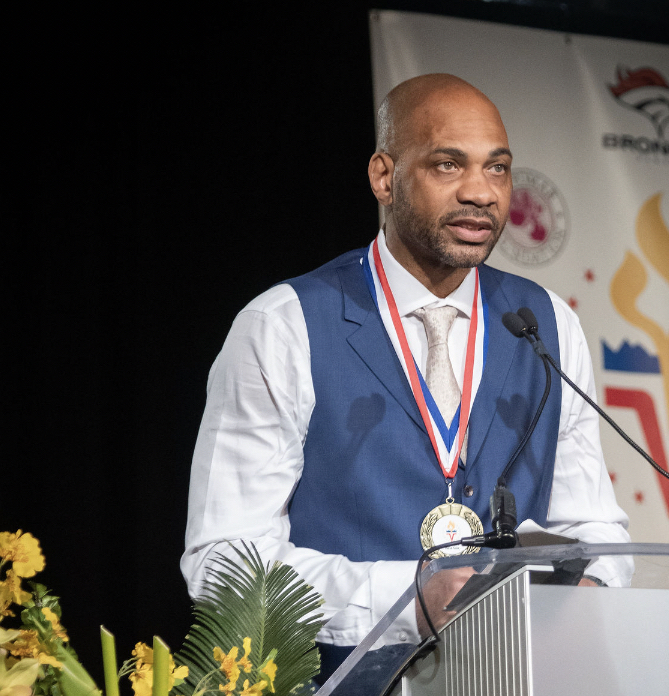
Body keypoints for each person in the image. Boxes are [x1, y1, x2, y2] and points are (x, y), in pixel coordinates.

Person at [181, 73, 631, 693]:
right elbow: (223, 563)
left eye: (497, 169)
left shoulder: (546, 324)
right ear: (384, 177)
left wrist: (588, 589)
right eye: (449, 165)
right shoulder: (284, 325)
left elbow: (595, 529)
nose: (481, 192)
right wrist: (404, 602)